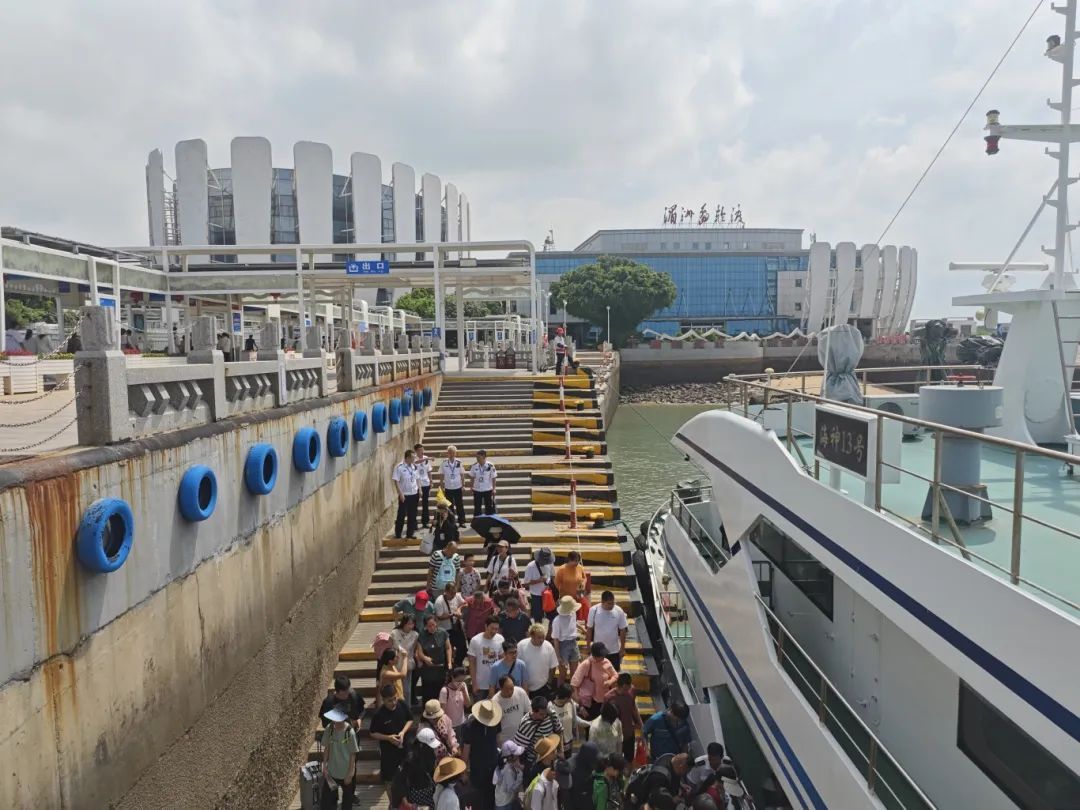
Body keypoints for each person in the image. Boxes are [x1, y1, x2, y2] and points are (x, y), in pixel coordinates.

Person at [461, 699, 503, 810]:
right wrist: (463, 772)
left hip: (493, 765)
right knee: (478, 797)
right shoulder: (469, 727)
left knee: (491, 796)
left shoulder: (497, 722)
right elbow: (466, 750)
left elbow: (499, 741)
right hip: (477, 767)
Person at [370, 683, 413, 787]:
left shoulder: (402, 704)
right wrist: (388, 738)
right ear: (383, 700)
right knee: (389, 779)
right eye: (389, 700)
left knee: (408, 774)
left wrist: (403, 732)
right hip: (388, 752)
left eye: (395, 698)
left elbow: (410, 720)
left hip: (405, 748)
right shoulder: (379, 715)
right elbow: (372, 733)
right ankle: (392, 803)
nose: (393, 702)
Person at [514, 696, 565, 778]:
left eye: (545, 713)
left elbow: (559, 730)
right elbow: (518, 747)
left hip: (551, 759)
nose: (544, 716)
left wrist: (560, 750)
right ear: (534, 711)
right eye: (541, 714)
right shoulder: (526, 724)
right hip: (534, 763)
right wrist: (519, 765)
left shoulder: (551, 713)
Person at [319, 705, 358, 809]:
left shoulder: (350, 732)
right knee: (328, 802)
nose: (334, 721)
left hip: (346, 772)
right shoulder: (329, 728)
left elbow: (353, 754)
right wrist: (324, 765)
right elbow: (327, 747)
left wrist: (350, 773)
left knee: (347, 802)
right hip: (331, 771)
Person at [571, 643, 618, 720]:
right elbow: (574, 683)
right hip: (589, 702)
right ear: (595, 656)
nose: (603, 657)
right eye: (601, 655)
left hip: (603, 700)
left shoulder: (606, 662)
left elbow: (615, 675)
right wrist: (580, 705)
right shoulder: (586, 664)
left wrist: (610, 682)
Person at [587, 591, 629, 671]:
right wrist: (588, 646)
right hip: (598, 651)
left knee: (614, 674)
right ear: (602, 602)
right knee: (597, 673)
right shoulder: (593, 610)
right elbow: (589, 629)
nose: (612, 605)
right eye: (609, 603)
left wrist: (622, 648)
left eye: (613, 603)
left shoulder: (619, 611)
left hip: (614, 650)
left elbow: (623, 630)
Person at [605, 672, 642, 762]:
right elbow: (605, 719)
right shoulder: (609, 698)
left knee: (629, 759)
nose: (626, 692)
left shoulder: (632, 690)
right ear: (617, 685)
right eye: (624, 690)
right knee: (615, 761)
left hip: (629, 732)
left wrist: (640, 722)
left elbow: (633, 707)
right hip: (615, 736)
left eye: (628, 689)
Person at [418, 614, 453, 704]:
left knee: (440, 693)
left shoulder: (443, 633)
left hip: (441, 668)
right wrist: (425, 658)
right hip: (428, 669)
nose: (432, 628)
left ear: (436, 623)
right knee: (427, 693)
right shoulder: (422, 635)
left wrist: (449, 662)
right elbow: (419, 652)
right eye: (429, 626)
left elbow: (448, 648)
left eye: (433, 625)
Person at [518, 623, 558, 699]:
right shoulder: (521, 645)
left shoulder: (548, 646)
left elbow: (553, 666)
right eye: (539, 637)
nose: (542, 640)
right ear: (532, 636)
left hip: (542, 687)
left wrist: (549, 683)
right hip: (523, 688)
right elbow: (516, 665)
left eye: (543, 637)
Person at [468, 615, 506, 695]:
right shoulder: (475, 641)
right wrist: (474, 684)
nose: (494, 631)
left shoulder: (500, 639)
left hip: (496, 684)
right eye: (492, 628)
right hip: (480, 685)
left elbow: (503, 660)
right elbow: (471, 663)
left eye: (496, 629)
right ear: (486, 626)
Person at [523, 735, 563, 810]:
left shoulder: (555, 762)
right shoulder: (536, 771)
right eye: (553, 751)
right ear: (546, 755)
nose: (556, 752)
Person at [551, 595, 582, 686]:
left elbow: (574, 623)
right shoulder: (557, 621)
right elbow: (556, 640)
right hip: (562, 645)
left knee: (574, 673)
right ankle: (560, 694)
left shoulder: (573, 613)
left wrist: (582, 629)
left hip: (573, 642)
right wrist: (558, 656)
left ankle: (572, 693)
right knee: (562, 674)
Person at [492, 674, 532, 745]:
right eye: (507, 690)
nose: (510, 692)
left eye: (512, 688)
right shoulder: (495, 702)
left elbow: (529, 711)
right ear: (500, 688)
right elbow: (494, 726)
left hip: (521, 738)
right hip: (505, 741)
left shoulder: (520, 692)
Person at [389, 615, 419, 706]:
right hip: (396, 663)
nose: (410, 626)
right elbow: (390, 647)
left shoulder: (415, 634)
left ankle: (407, 709)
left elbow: (414, 649)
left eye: (412, 624)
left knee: (407, 690)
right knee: (396, 688)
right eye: (408, 623)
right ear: (404, 623)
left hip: (407, 663)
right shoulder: (394, 632)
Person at [552, 683, 588, 757]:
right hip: (557, 745)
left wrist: (590, 723)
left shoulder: (570, 703)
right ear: (565, 698)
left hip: (569, 742)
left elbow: (575, 719)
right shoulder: (551, 708)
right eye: (570, 697)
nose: (571, 699)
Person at [393, 448, 420, 539]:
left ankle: (410, 533)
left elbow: (417, 478)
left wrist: (419, 489)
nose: (414, 459)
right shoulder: (399, 467)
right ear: (407, 458)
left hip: (414, 493)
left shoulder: (414, 466)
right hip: (404, 495)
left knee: (412, 515)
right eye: (413, 458)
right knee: (401, 515)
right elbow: (396, 481)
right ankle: (398, 533)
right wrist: (400, 493)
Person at [523, 547, 555, 622]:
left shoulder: (550, 564)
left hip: (548, 594)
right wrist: (539, 580)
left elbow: (553, 576)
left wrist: (549, 584)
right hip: (536, 595)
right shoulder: (530, 566)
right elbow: (525, 584)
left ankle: (550, 633)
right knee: (538, 617)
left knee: (551, 616)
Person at [567, 740, 602, 810]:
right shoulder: (571, 768)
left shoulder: (589, 765)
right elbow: (567, 798)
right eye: (594, 761)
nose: (595, 764)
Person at [440, 666, 472, 740]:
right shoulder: (444, 691)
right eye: (458, 681)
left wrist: (464, 691)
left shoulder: (463, 686)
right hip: (450, 725)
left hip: (461, 723)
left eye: (462, 680)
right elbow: (442, 712)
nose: (460, 683)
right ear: (452, 678)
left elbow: (468, 705)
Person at [493, 739, 526, 810]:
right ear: (511, 757)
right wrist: (520, 774)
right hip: (504, 804)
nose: (518, 755)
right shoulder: (508, 771)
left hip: (502, 800)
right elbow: (511, 789)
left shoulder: (503, 763)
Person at [441, 444, 467, 524]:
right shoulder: (444, 463)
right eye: (450, 452)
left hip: (458, 487)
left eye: (453, 452)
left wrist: (463, 485)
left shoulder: (459, 462)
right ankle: (451, 522)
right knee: (449, 506)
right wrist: (441, 487)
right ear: (447, 453)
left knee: (460, 505)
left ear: (455, 453)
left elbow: (462, 474)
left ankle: (462, 522)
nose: (451, 454)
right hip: (448, 487)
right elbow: (441, 475)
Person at [469, 449, 497, 517]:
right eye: (476, 457)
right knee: (477, 507)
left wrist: (494, 489)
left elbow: (494, 477)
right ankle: (477, 522)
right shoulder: (474, 466)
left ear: (484, 456)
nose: (477, 459)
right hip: (477, 489)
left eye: (478, 457)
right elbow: (472, 477)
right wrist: (471, 487)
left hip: (487, 489)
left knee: (488, 507)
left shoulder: (490, 466)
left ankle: (489, 522)